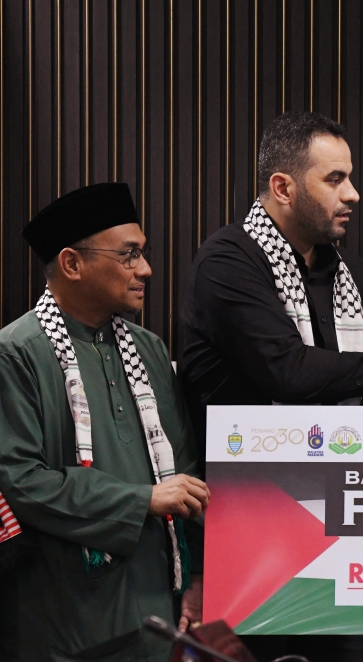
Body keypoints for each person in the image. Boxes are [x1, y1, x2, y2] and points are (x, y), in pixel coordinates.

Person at [182, 111, 363, 661]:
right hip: (254, 530)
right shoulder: (228, 261)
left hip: (346, 529)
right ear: (283, 187)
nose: (353, 194)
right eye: (335, 179)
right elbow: (288, 372)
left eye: (350, 178)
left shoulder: (351, 274)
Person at [0, 183, 208, 661]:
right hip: (65, 618)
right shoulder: (17, 353)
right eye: (129, 255)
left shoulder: (148, 349)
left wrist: (196, 576)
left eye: (142, 253)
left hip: (157, 607)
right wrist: (143, 499)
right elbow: (21, 481)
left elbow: (185, 474)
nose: (145, 269)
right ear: (72, 264)